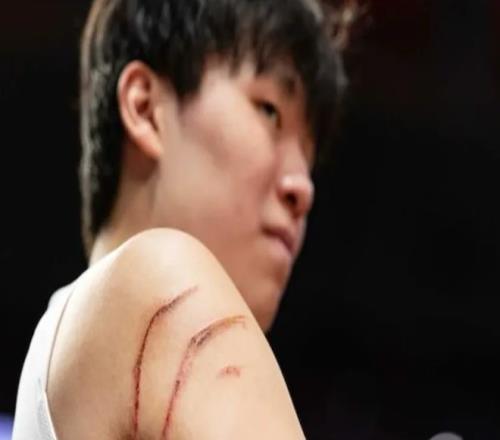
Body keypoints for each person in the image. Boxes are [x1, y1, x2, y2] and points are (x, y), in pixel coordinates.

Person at [13, 0, 348, 438]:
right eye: (269, 110)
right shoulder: (159, 274)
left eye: (307, 153)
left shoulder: (57, 347)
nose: (302, 185)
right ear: (145, 108)